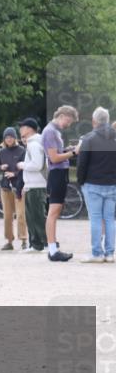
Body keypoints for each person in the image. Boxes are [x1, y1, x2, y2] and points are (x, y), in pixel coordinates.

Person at [76, 107, 116, 263]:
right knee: (110, 219)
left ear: (94, 121)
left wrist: (81, 181)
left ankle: (97, 253)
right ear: (107, 120)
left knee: (96, 219)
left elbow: (82, 164)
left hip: (92, 184)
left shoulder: (89, 139)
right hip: (112, 184)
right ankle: (110, 253)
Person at [43, 105, 78, 262]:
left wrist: (67, 149)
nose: (69, 124)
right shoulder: (50, 131)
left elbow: (57, 153)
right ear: (63, 115)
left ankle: (53, 248)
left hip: (60, 174)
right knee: (53, 212)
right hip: (57, 174)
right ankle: (52, 250)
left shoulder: (54, 131)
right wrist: (74, 152)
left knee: (55, 212)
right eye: (69, 121)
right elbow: (54, 158)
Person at [16, 118, 49, 254]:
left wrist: (22, 165)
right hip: (32, 185)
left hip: (37, 185)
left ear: (29, 129)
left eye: (22, 127)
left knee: (38, 216)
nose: (20, 130)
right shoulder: (33, 143)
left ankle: (45, 243)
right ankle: (36, 244)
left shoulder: (34, 144)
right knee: (32, 216)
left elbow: (37, 165)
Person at [0, 127, 27, 250]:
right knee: (7, 216)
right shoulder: (2, 152)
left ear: (15, 138)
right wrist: (1, 167)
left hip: (19, 186)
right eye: (6, 137)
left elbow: (26, 167)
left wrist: (15, 174)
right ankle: (9, 241)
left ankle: (24, 239)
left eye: (11, 137)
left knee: (21, 214)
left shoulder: (22, 150)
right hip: (5, 187)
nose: (9, 139)